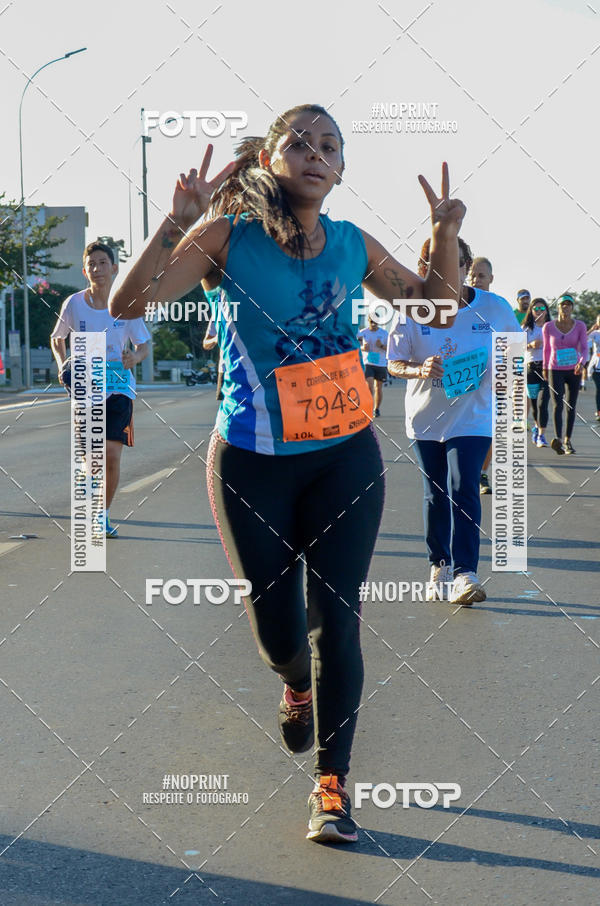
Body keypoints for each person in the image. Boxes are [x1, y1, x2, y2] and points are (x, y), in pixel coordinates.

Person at [109, 103, 465, 843]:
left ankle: (332, 789)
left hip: (345, 456)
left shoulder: (350, 244)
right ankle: (294, 683)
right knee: (280, 631)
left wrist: (445, 236)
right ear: (269, 158)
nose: (315, 153)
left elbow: (435, 308)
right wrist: (173, 223)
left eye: (329, 146)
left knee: (338, 619)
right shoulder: (224, 238)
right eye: (299, 142)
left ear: (339, 170)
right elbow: (129, 303)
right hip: (252, 461)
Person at [388, 237, 520, 605]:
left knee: (464, 487)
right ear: (423, 269)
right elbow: (393, 362)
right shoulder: (411, 308)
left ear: (465, 267)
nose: (444, 272)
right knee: (436, 493)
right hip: (427, 417)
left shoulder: (494, 308)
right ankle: (439, 564)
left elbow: (514, 358)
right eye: (433, 266)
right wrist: (420, 369)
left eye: (453, 264)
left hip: (473, 415)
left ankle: (465, 573)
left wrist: (502, 377)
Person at [50, 242, 150, 538]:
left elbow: (144, 344)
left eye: (103, 263)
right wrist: (62, 363)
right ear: (85, 271)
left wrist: (135, 357)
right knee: (92, 459)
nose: (97, 268)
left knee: (111, 455)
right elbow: (58, 338)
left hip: (119, 388)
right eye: (91, 264)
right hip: (85, 388)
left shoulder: (127, 307)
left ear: (114, 268)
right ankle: (92, 496)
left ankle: (102, 516)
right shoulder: (74, 304)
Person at [542, 293, 588, 455]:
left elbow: (585, 348)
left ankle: (568, 439)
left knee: (571, 405)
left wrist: (581, 363)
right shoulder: (548, 327)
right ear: (558, 307)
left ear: (572, 307)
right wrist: (545, 368)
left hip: (573, 369)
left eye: (569, 304)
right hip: (555, 369)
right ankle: (558, 439)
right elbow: (547, 350)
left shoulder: (580, 326)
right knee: (557, 404)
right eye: (563, 304)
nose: (565, 307)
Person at [467, 256, 495, 494]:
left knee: (488, 433)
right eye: (473, 275)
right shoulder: (457, 305)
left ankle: (481, 475)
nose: (476, 280)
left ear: (491, 279)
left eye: (482, 276)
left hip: (490, 386)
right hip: (460, 387)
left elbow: (515, 344)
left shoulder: (498, 308)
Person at [522, 298, 551, 447]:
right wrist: (530, 345)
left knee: (543, 403)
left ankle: (541, 435)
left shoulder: (551, 327)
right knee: (534, 403)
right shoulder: (526, 328)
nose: (539, 312)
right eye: (536, 309)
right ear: (531, 311)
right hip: (531, 368)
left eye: (542, 309)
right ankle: (535, 426)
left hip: (548, 369)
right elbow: (515, 348)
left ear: (546, 311)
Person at [358, 312, 388, 417]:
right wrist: (363, 348)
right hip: (368, 363)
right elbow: (355, 346)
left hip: (381, 363)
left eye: (375, 321)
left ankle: (377, 409)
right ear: (368, 321)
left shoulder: (384, 333)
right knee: (369, 386)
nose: (373, 323)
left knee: (378, 387)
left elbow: (391, 350)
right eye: (371, 321)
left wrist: (382, 346)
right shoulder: (362, 333)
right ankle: (369, 407)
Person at [203, 308, 224, 400]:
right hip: (226, 370)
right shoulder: (219, 313)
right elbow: (206, 343)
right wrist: (216, 338)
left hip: (260, 368)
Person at [588, 316, 600, 421]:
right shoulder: (595, 334)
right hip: (596, 367)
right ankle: (599, 411)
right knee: (599, 389)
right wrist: (591, 330)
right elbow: (583, 340)